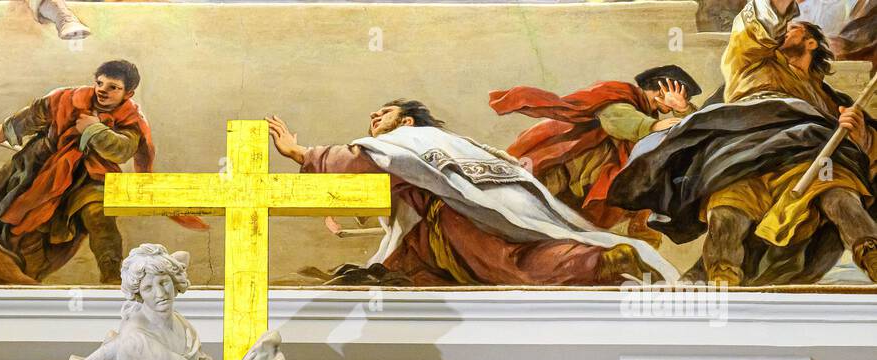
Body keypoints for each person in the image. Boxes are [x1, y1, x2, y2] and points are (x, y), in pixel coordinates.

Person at [267, 100, 676, 286]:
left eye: (384, 112)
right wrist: (336, 202)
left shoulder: (414, 139)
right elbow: (384, 185)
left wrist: (301, 153)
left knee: (508, 266)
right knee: (487, 264)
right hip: (445, 232)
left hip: (453, 219)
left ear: (406, 120)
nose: (374, 117)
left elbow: (362, 162)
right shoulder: (439, 145)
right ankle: (602, 260)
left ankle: (596, 263)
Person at [610, 0, 877, 285]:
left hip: (808, 156)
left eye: (792, 29)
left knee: (839, 197)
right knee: (728, 211)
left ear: (810, 42)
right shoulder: (754, 62)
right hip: (743, 154)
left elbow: (870, 153)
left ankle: (871, 255)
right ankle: (722, 279)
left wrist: (861, 134)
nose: (782, 29)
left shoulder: (830, 101)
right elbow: (756, 27)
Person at [0, 60, 204, 284]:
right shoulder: (67, 98)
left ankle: (113, 279)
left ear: (127, 94)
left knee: (98, 216)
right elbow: (35, 115)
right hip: (41, 167)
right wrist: (4, 131)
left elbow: (122, 150)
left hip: (92, 175)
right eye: (99, 83)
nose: (102, 90)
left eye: (113, 87)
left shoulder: (131, 118)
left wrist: (95, 129)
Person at [490, 66, 700, 241]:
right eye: (682, 94)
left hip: (589, 180)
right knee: (525, 202)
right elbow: (617, 119)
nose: (682, 99)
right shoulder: (621, 95)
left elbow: (693, 133)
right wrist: (653, 126)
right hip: (567, 164)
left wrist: (682, 110)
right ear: (663, 90)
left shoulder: (651, 114)